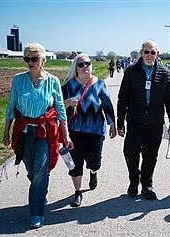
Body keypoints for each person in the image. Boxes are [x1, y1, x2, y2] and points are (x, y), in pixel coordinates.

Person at [2, 43, 74, 229]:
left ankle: (36, 213)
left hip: (45, 134)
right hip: (24, 133)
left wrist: (65, 136)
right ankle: (41, 191)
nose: (30, 62)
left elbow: (60, 109)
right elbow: (10, 107)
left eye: (34, 59)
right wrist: (6, 132)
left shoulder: (52, 81)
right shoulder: (18, 80)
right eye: (27, 59)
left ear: (43, 60)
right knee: (32, 171)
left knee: (40, 171)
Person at [117, 39, 170, 200]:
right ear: (141, 53)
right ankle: (133, 180)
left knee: (151, 155)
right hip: (135, 120)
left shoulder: (164, 73)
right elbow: (122, 97)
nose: (149, 55)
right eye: (146, 52)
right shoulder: (131, 71)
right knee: (131, 152)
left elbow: (169, 99)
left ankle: (147, 184)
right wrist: (120, 121)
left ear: (157, 54)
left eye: (153, 52)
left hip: (155, 122)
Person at [61, 53, 117, 207]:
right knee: (75, 163)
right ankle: (77, 192)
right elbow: (57, 108)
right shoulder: (68, 86)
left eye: (88, 63)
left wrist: (112, 124)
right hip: (74, 131)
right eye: (81, 64)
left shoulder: (99, 84)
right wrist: (67, 103)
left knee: (94, 162)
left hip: (95, 130)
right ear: (75, 67)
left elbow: (107, 104)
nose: (85, 66)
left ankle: (93, 173)